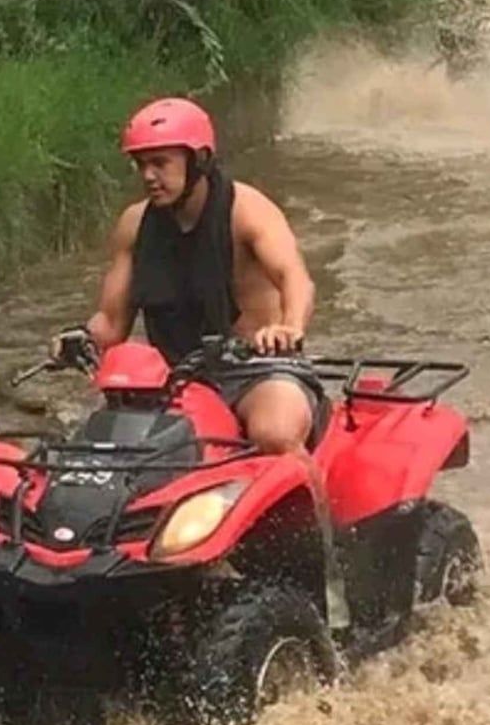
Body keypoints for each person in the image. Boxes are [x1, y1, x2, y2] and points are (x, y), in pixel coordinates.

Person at [51, 96, 349, 627]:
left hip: (257, 369)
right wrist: (76, 338)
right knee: (97, 457)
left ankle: (326, 582)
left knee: (277, 432)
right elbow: (110, 324)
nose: (149, 175)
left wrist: (289, 329)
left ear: (198, 160)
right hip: (175, 381)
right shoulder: (134, 226)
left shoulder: (246, 211)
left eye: (161, 162)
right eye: (141, 163)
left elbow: (296, 280)